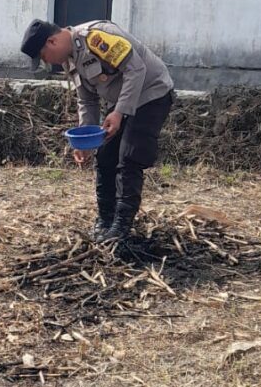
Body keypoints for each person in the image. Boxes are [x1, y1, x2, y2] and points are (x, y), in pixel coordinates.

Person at [21, 18, 174, 249]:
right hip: (124, 101)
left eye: (43, 56)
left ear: (52, 42)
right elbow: (87, 100)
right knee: (105, 156)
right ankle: (105, 220)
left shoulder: (96, 37)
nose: (46, 62)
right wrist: (86, 142)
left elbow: (136, 69)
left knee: (129, 157)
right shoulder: (70, 59)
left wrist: (120, 112)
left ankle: (121, 227)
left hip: (152, 93)